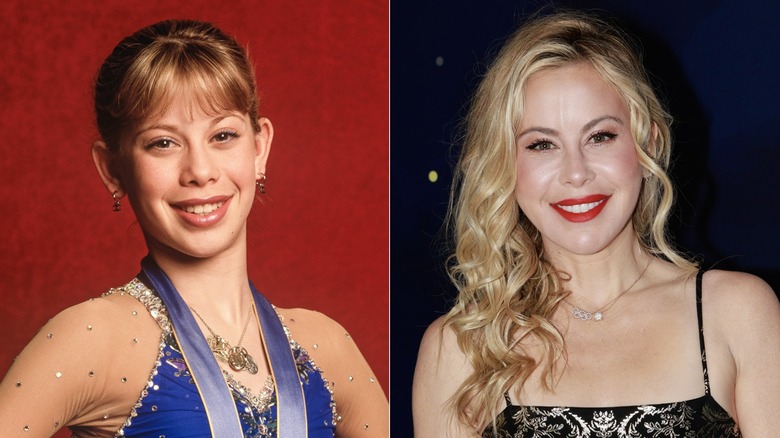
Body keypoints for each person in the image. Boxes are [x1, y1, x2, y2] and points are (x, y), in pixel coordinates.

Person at [0, 19, 388, 437]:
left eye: (222, 135)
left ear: (259, 149)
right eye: (163, 142)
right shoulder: (92, 339)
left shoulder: (327, 346)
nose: (200, 172)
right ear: (112, 169)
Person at [412, 11, 780, 437]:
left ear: (648, 143)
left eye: (600, 136)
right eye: (542, 144)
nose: (576, 172)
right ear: (505, 167)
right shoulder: (461, 350)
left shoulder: (736, 314)